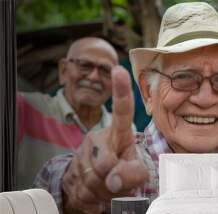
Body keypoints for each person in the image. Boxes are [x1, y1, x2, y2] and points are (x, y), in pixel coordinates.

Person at [33, 2, 218, 214]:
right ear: (147, 92)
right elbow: (53, 187)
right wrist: (79, 187)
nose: (205, 99)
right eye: (183, 77)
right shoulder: (127, 164)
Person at [17, 37, 136, 189]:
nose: (94, 77)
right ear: (63, 70)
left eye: (105, 70)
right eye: (85, 65)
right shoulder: (24, 108)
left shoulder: (123, 129)